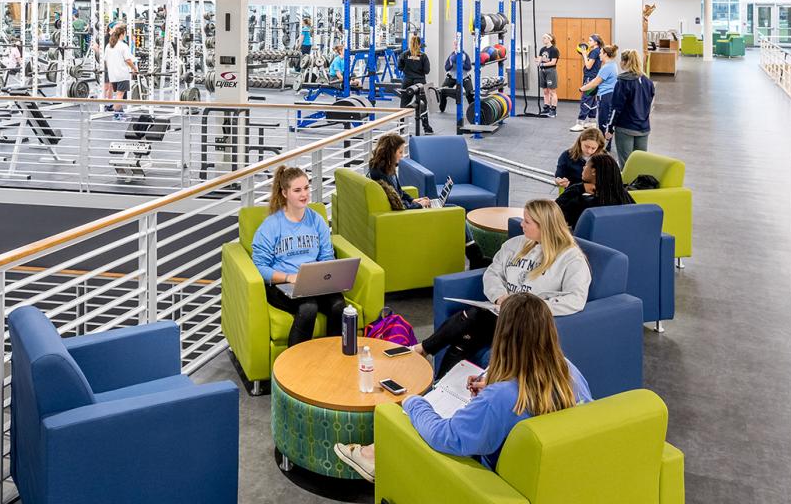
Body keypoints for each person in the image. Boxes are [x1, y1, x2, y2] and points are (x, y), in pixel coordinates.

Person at [333, 292, 592, 481]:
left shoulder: (500, 398)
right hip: (555, 476)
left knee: (420, 413)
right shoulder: (568, 371)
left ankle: (375, 457)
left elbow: (445, 437)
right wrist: (492, 381)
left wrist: (412, 401)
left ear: (504, 335)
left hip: (492, 480)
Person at [408, 199, 591, 379]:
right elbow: (492, 272)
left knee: (473, 318)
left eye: (527, 221)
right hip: (499, 311)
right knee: (464, 339)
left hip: (526, 322)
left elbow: (576, 298)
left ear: (545, 225)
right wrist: (499, 297)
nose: (521, 224)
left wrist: (528, 307)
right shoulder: (516, 244)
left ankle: (424, 351)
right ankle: (438, 386)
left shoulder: (571, 258)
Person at [251, 165, 347, 347]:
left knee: (338, 306)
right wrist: (289, 277)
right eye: (297, 190)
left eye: (306, 188)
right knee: (308, 308)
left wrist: (326, 275)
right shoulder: (271, 225)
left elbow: (327, 255)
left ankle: (333, 358)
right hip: (282, 285)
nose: (304, 194)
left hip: (313, 283)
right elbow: (260, 267)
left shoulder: (316, 219)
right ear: (285, 193)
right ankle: (293, 367)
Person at [554, 152, 633, 228]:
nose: (583, 168)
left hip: (582, 240)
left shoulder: (585, 204)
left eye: (586, 166)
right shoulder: (624, 196)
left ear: (594, 171)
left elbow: (553, 211)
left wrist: (579, 187)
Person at [605, 49, 655, 168]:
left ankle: (625, 186)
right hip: (643, 128)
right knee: (640, 163)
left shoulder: (623, 82)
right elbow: (648, 105)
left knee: (626, 164)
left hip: (625, 127)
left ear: (624, 62)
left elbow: (616, 108)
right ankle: (638, 185)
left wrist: (610, 128)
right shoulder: (648, 82)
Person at [367, 133, 432, 209]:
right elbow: (399, 205)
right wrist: (420, 204)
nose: (402, 155)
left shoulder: (387, 166)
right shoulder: (380, 173)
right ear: (391, 152)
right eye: (400, 152)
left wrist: (412, 200)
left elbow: (398, 191)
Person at [579, 44, 618, 138]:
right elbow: (596, 79)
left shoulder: (607, 67)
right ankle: (604, 144)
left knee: (603, 123)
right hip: (607, 95)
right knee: (604, 121)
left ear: (605, 54)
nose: (599, 55)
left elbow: (595, 83)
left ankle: (603, 146)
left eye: (600, 53)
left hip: (606, 96)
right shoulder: (611, 65)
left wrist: (582, 88)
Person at [398, 35, 434, 134]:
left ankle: (401, 128)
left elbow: (399, 67)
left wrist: (408, 71)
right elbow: (427, 71)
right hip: (420, 82)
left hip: (407, 81)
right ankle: (426, 129)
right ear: (419, 44)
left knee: (404, 105)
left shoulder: (404, 54)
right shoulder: (423, 56)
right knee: (422, 105)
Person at [103, 24, 137, 119]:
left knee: (118, 94)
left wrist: (111, 70)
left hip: (113, 75)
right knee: (120, 94)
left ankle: (120, 111)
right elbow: (128, 60)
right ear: (122, 34)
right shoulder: (123, 45)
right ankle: (117, 115)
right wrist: (135, 69)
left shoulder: (109, 45)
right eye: (125, 34)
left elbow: (105, 60)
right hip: (122, 74)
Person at [571, 34, 603, 132]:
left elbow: (588, 66)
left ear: (596, 42)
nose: (588, 42)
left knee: (586, 99)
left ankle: (580, 122)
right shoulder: (598, 51)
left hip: (590, 78)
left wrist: (585, 55)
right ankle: (592, 122)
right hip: (593, 77)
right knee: (592, 100)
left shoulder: (593, 52)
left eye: (590, 40)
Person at [436, 38, 474, 114]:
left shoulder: (465, 55)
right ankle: (441, 109)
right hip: (452, 77)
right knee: (442, 91)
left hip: (464, 77)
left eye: (458, 44)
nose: (457, 46)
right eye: (455, 44)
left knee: (470, 93)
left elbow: (469, 67)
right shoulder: (451, 56)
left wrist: (461, 63)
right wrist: (451, 63)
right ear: (454, 45)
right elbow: (446, 68)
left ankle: (473, 109)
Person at [536, 34, 559, 117]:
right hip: (542, 71)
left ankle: (553, 110)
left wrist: (542, 64)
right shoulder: (542, 49)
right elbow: (539, 59)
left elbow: (553, 62)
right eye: (543, 38)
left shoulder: (554, 50)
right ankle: (546, 108)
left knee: (552, 91)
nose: (543, 39)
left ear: (550, 39)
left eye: (545, 38)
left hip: (550, 71)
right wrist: (538, 61)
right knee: (545, 91)